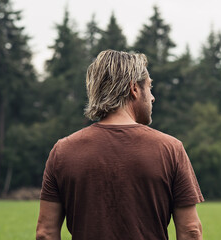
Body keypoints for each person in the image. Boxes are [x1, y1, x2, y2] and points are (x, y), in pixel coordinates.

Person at [36, 50, 204, 240]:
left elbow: (45, 233)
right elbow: (191, 231)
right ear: (134, 89)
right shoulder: (170, 148)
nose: (152, 97)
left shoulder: (63, 150)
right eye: (149, 88)